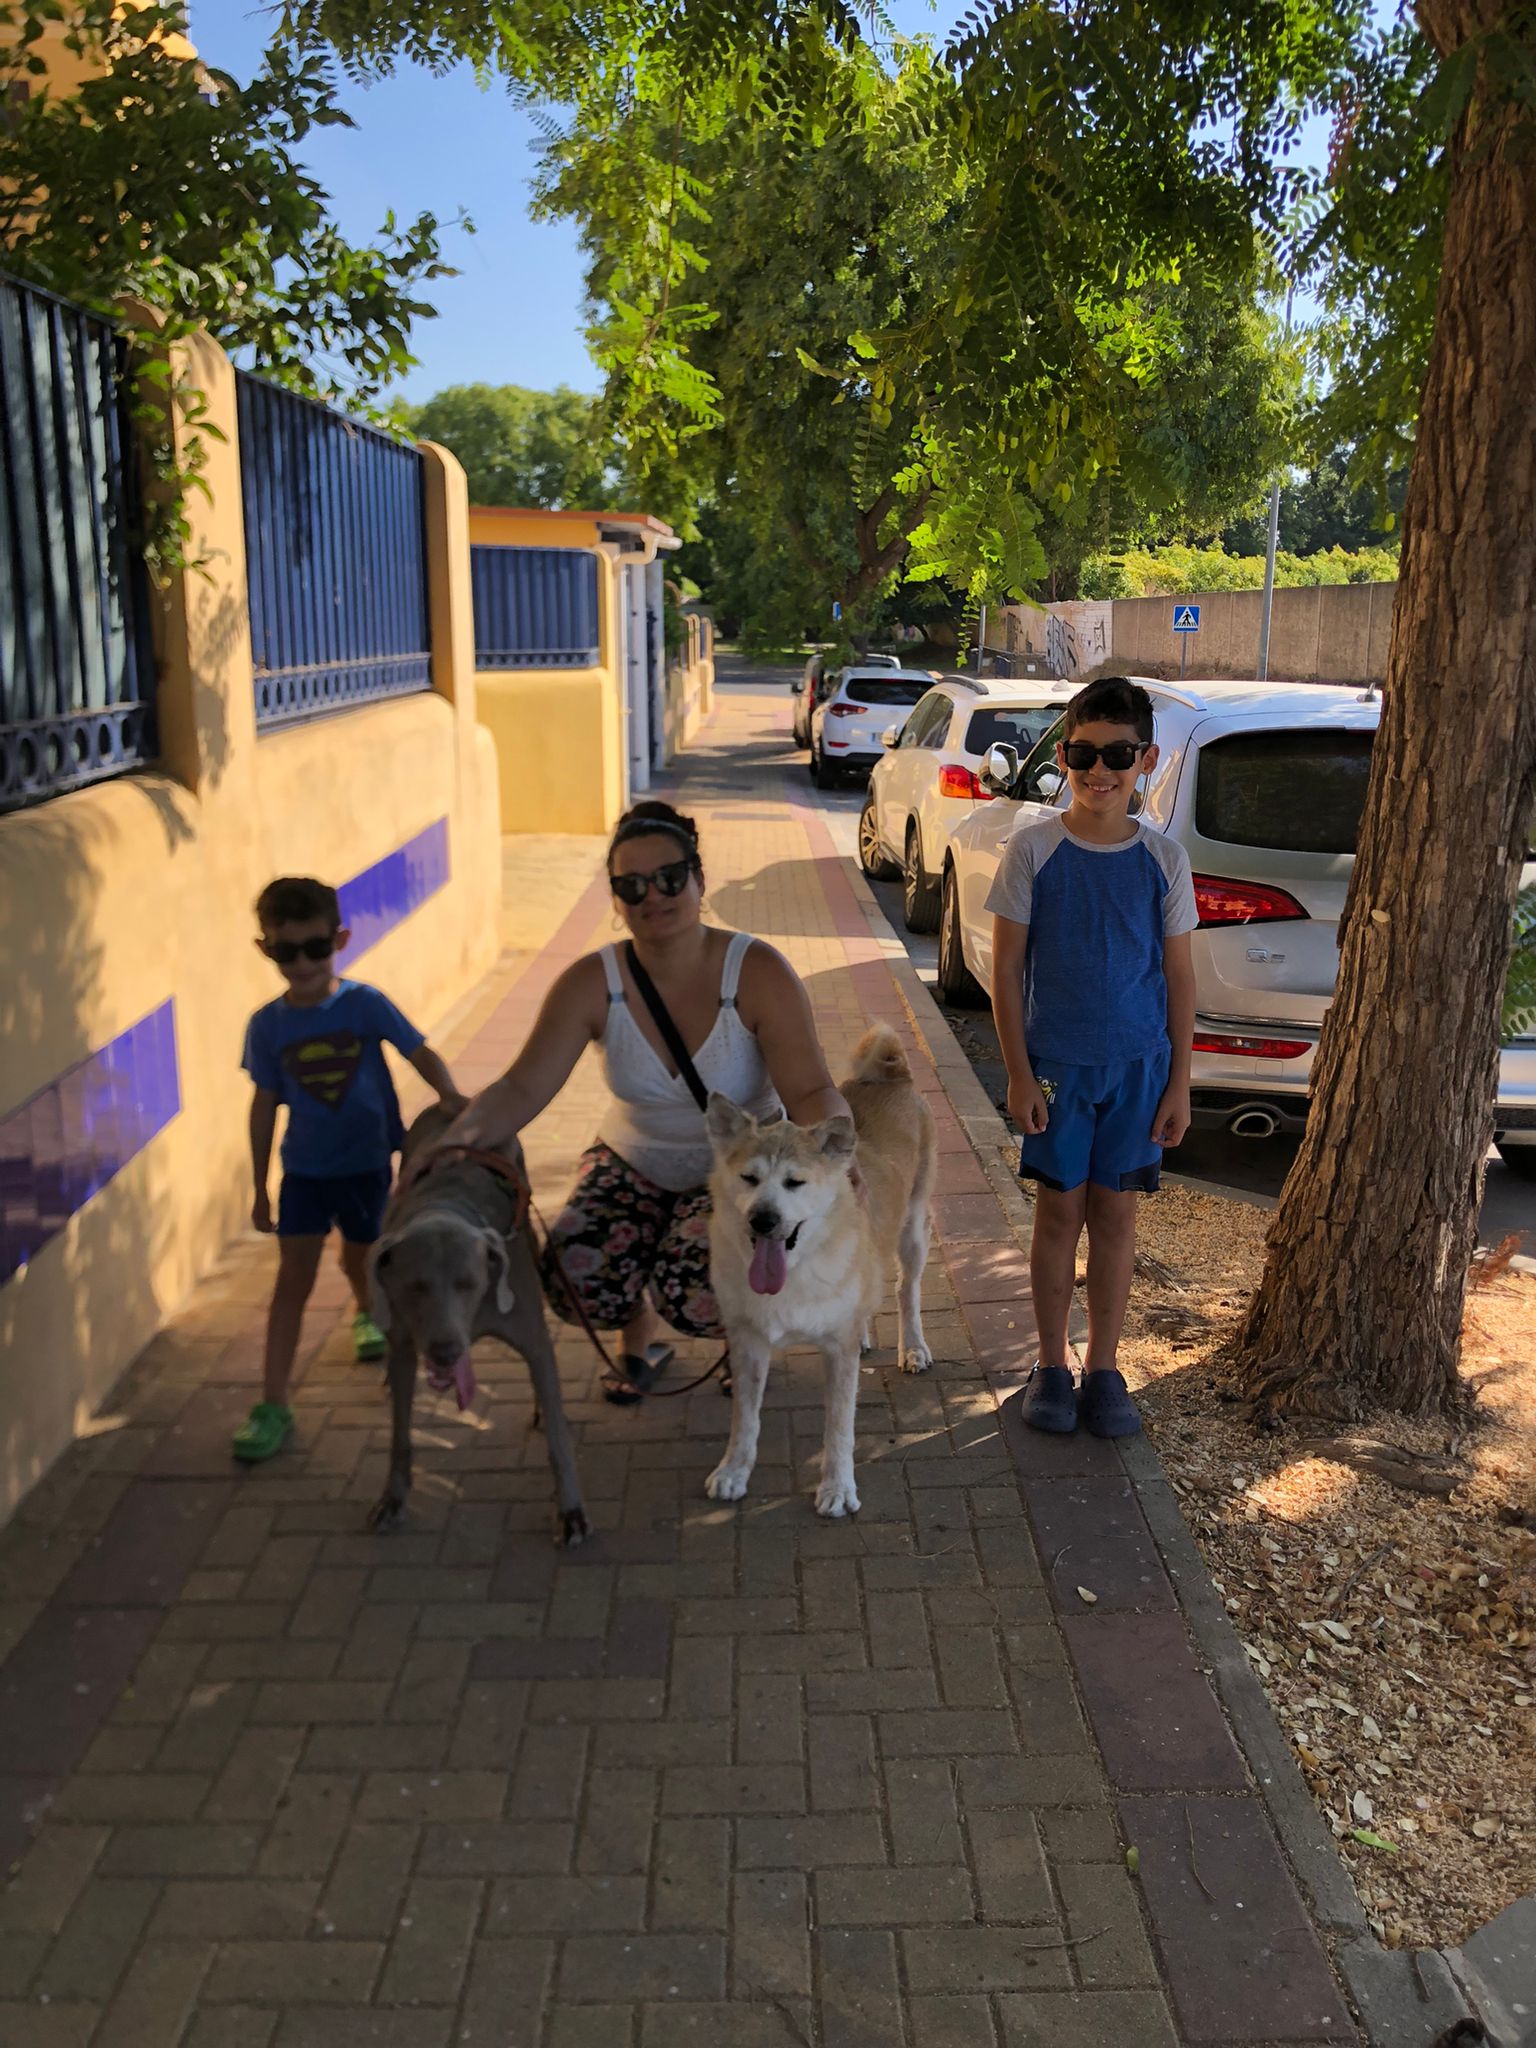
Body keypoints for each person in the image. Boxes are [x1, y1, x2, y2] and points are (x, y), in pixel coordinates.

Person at [442, 799, 854, 1401]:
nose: (652, 896)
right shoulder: (592, 982)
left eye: (669, 877)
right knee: (576, 1281)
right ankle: (638, 1331)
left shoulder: (756, 971)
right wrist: (452, 1144)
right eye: (630, 886)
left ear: (699, 879)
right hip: (633, 1159)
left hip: (743, 1170)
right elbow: (521, 1087)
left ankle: (742, 1339)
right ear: (615, 899)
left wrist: (839, 1157)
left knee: (700, 1289)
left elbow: (811, 1090)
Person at [987, 676, 1196, 1437]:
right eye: (1083, 754)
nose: (1099, 770)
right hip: (1056, 1070)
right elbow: (1007, 971)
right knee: (1057, 1215)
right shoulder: (1032, 850)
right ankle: (1051, 1364)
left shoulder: (1164, 860)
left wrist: (1179, 1084)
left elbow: (1179, 976)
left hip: (1139, 1073)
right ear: (1063, 756)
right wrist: (1018, 1073)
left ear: (1147, 760)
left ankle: (1104, 1368)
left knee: (1115, 1217)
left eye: (1117, 754)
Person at [233, 876, 464, 1463]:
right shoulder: (267, 1026)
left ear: (339, 939)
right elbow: (264, 1105)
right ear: (265, 949)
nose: (302, 964)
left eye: (315, 947)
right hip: (304, 1175)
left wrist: (451, 1098)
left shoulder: (364, 1004)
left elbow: (418, 1049)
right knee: (292, 1282)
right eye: (286, 951)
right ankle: (273, 1403)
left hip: (367, 1167)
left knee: (365, 1258)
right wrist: (259, 1187)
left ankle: (366, 1313)